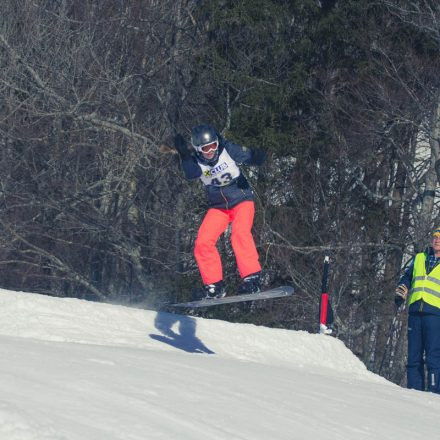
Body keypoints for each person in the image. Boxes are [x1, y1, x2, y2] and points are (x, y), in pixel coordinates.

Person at [171, 124, 266, 299]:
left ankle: (252, 278)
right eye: (206, 149)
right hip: (219, 207)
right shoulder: (196, 161)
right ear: (198, 150)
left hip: (241, 201)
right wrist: (184, 155)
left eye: (213, 146)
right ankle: (214, 286)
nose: (211, 151)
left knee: (239, 234)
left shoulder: (227, 150)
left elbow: (248, 156)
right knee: (203, 242)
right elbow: (191, 174)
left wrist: (257, 156)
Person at [395, 227, 440, 393]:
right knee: (413, 357)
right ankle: (414, 393)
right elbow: (407, 277)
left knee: (433, 358)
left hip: (435, 315)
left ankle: (435, 394)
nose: (437, 240)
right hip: (415, 312)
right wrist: (402, 288)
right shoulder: (420, 258)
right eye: (435, 237)